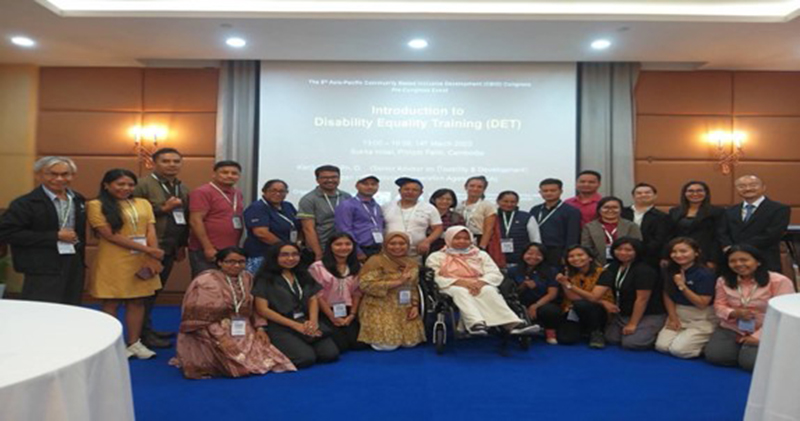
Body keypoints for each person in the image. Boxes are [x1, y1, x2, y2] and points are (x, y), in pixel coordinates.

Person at [170, 247, 296, 379]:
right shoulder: (206, 281)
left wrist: (260, 327)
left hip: (241, 325)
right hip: (210, 328)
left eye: (241, 262)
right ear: (220, 263)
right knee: (236, 364)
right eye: (230, 262)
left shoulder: (247, 277)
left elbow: (254, 306)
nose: (236, 265)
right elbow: (200, 317)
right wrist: (222, 338)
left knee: (268, 357)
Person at [87, 169, 163, 359]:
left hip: (141, 258)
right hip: (114, 259)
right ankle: (109, 345)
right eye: (120, 184)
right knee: (111, 301)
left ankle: (134, 344)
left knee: (137, 301)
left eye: (130, 184)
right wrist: (149, 250)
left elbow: (150, 229)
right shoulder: (96, 205)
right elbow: (109, 235)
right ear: (106, 185)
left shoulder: (143, 203)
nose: (126, 188)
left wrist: (153, 255)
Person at [0, 156, 86, 305]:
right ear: (39, 175)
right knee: (41, 312)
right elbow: (7, 233)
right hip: (41, 267)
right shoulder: (25, 203)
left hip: (72, 263)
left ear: (72, 175)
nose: (59, 178)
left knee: (71, 309)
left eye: (65, 174)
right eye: (52, 174)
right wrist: (55, 236)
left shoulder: (77, 199)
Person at [426, 226, 538, 336]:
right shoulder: (436, 256)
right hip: (452, 285)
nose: (462, 241)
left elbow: (494, 272)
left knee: (488, 290)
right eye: (457, 238)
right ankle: (475, 323)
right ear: (449, 239)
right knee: (460, 292)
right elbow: (435, 276)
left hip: (479, 283)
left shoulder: (480, 254)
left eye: (466, 238)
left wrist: (481, 282)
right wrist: (460, 282)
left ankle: (512, 323)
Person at [133, 147, 191, 348]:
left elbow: (184, 217)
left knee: (155, 291)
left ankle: (146, 329)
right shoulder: (142, 185)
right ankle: (140, 335)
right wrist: (162, 209)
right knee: (144, 292)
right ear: (154, 163)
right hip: (149, 248)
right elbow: (133, 214)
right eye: (166, 161)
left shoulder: (181, 187)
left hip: (170, 246)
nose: (172, 165)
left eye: (176, 161)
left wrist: (182, 244)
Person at [704, 245, 794, 372]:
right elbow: (719, 306)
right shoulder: (723, 280)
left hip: (767, 328)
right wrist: (733, 313)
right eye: (733, 261)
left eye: (744, 260)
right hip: (734, 326)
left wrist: (758, 337)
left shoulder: (779, 281)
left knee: (750, 363)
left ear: (758, 261)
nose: (738, 264)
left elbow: (783, 314)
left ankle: (749, 349)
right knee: (716, 356)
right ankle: (742, 348)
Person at [252, 243, 340, 368]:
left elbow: (313, 299)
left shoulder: (303, 274)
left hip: (305, 321)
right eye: (285, 255)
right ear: (275, 257)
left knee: (330, 354)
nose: (291, 258)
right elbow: (262, 309)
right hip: (281, 325)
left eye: (295, 254)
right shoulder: (264, 279)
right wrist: (295, 325)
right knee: (305, 358)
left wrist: (313, 322)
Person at [590, 238, 666, 350]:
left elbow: (642, 299)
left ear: (637, 251)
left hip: (649, 313)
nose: (623, 253)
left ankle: (657, 331)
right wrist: (603, 302)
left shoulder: (644, 270)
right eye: (619, 249)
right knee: (611, 338)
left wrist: (633, 324)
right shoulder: (613, 267)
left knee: (631, 343)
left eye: (628, 250)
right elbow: (595, 295)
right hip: (624, 313)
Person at [358, 231, 426, 350]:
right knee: (387, 346)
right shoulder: (375, 261)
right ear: (385, 245)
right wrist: (398, 282)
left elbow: (414, 286)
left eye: (402, 243)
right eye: (392, 244)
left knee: (411, 343)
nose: (397, 247)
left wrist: (415, 305)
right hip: (379, 304)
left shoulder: (412, 263)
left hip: (404, 305)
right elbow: (365, 285)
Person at [655, 237, 717, 359]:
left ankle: (705, 341)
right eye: (674, 252)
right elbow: (667, 294)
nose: (678, 255)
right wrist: (673, 318)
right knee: (661, 346)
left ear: (696, 252)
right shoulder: (670, 269)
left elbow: (702, 304)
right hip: (678, 313)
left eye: (683, 251)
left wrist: (682, 285)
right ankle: (685, 337)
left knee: (679, 351)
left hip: (700, 316)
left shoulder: (705, 273)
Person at [719, 175, 791, 273]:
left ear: (763, 187)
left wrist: (739, 249)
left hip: (765, 260)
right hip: (734, 263)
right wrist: (728, 247)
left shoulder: (779, 209)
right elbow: (722, 232)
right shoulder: (730, 211)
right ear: (737, 189)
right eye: (742, 186)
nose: (748, 189)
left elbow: (772, 235)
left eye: (753, 185)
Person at [308, 233, 366, 353]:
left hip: (348, 311)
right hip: (326, 311)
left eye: (347, 244)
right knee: (341, 346)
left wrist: (352, 315)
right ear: (330, 246)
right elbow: (317, 295)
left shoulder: (358, 266)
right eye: (338, 244)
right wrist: (331, 316)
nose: (343, 247)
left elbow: (357, 293)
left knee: (359, 344)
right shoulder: (317, 267)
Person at [188, 161, 245, 277]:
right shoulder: (202, 192)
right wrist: (207, 247)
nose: (229, 175)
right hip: (208, 249)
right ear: (214, 174)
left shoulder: (237, 193)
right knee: (206, 285)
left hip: (230, 250)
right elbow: (195, 221)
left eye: (234, 173)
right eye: (224, 172)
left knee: (227, 286)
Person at [554, 245, 616, 348]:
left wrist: (569, 285)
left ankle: (597, 331)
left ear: (590, 258)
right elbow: (572, 297)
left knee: (582, 304)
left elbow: (594, 297)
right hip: (573, 308)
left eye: (580, 255)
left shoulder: (603, 273)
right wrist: (602, 301)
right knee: (565, 339)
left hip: (598, 311)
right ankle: (583, 329)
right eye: (571, 256)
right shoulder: (567, 273)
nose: (576, 259)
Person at [243, 179, 300, 274]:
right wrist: (284, 247)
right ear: (264, 191)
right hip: (262, 255)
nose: (278, 194)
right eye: (273, 190)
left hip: (285, 256)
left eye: (282, 191)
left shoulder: (287, 206)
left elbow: (297, 225)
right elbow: (261, 233)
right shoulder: (257, 207)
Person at [297, 165, 352, 261]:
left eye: (334, 177)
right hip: (322, 247)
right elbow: (308, 229)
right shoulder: (309, 199)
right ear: (317, 180)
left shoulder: (346, 196)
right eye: (325, 178)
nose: (330, 180)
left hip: (344, 248)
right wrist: (318, 253)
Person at [508, 243, 560, 343]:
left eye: (538, 254)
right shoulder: (513, 271)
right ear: (523, 254)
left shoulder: (551, 271)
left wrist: (535, 306)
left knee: (551, 310)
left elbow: (552, 294)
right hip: (520, 303)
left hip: (541, 303)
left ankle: (550, 332)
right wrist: (523, 286)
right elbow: (510, 293)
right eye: (529, 253)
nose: (533, 257)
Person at [668, 181, 725, 269]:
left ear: (706, 193)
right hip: (679, 255)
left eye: (699, 191)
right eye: (690, 191)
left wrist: (713, 259)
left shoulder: (717, 212)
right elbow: (670, 235)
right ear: (685, 193)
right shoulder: (674, 211)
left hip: (705, 255)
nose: (695, 194)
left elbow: (718, 237)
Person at [383, 177, 442, 258]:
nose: (410, 192)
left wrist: (427, 241)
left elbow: (438, 228)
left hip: (416, 253)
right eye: (406, 189)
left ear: (421, 192)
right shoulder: (386, 207)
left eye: (415, 190)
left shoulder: (429, 208)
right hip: (389, 253)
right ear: (399, 191)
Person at [529, 178, 581, 267]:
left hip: (558, 251)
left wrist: (567, 255)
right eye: (545, 191)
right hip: (537, 251)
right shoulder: (535, 210)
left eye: (553, 190)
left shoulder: (571, 211)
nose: (549, 193)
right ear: (540, 192)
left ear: (560, 191)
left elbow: (572, 236)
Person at [334, 175, 385, 261]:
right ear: (357, 186)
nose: (370, 187)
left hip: (377, 249)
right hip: (358, 250)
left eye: (373, 184)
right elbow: (344, 230)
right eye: (365, 184)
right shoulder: (347, 205)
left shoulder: (377, 206)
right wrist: (357, 251)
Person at [581, 196, 642, 265]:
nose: (610, 210)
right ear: (599, 210)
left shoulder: (631, 226)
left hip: (627, 263)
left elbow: (637, 247)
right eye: (606, 207)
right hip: (597, 264)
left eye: (615, 207)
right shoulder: (589, 227)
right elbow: (586, 247)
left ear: (621, 210)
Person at [621, 183, 670, 269]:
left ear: (655, 196)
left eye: (647, 193)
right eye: (639, 193)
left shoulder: (662, 217)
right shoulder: (622, 213)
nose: (643, 195)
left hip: (649, 258)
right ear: (633, 196)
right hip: (621, 255)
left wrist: (639, 251)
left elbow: (661, 239)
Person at [496, 191, 541, 269]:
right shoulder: (491, 217)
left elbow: (535, 240)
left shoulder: (527, 217)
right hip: (497, 260)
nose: (509, 204)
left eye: (513, 202)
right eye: (505, 201)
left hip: (521, 260)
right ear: (498, 201)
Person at [455, 176, 497, 250]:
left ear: (484, 189)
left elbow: (488, 229)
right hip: (459, 239)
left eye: (479, 187)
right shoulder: (459, 205)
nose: (475, 189)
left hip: (478, 239)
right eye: (472, 186)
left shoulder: (487, 206)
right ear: (465, 187)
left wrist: (482, 246)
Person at [428, 188, 464, 252]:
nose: (444, 201)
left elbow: (460, 235)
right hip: (426, 247)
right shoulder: (427, 215)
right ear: (434, 200)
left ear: (453, 201)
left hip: (449, 250)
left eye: (448, 199)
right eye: (441, 199)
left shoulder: (456, 217)